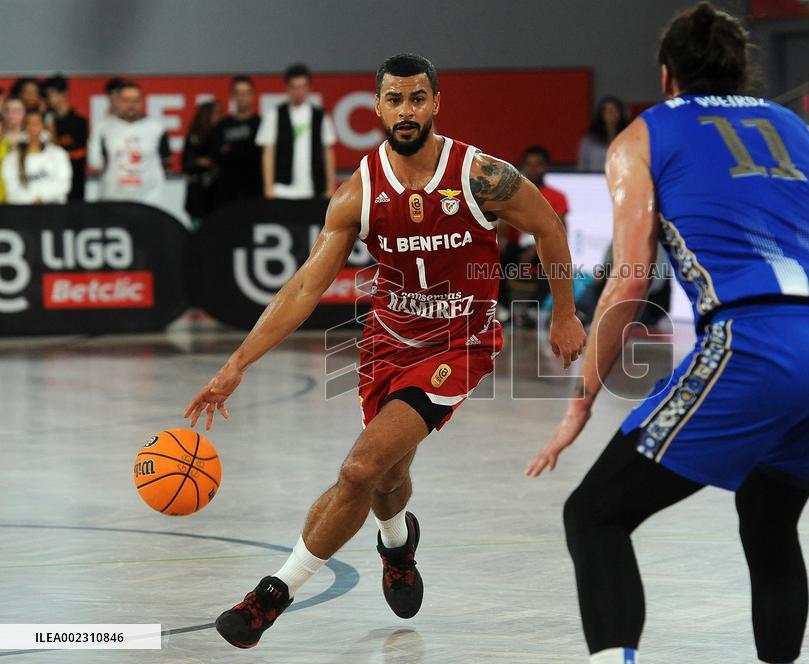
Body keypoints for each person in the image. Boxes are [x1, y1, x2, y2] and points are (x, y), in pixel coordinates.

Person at [526, 5, 809, 664]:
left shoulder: (640, 138)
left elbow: (630, 279)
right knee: (770, 520)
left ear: (667, 77)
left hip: (755, 345)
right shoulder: (797, 131)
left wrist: (581, 400)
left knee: (595, 515)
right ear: (740, 70)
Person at [184, 53, 586, 649]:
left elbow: (548, 224)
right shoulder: (357, 195)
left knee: (361, 467)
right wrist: (235, 364)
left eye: (417, 98)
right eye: (394, 100)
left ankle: (272, 595)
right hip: (387, 343)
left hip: (460, 344)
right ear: (376, 107)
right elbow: (303, 288)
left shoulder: (479, 175)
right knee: (390, 472)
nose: (406, 110)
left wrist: (567, 312)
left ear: (435, 104)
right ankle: (398, 544)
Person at [501, 145, 570, 324]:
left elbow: (560, 231)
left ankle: (533, 311)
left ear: (546, 167)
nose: (533, 168)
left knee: (554, 263)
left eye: (538, 164)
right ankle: (503, 308)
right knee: (490, 259)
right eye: (529, 164)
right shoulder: (510, 193)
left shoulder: (557, 196)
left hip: (542, 245)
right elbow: (502, 225)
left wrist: (533, 251)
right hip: (516, 247)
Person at [256, 63, 337, 199]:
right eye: (294, 87)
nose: (299, 92)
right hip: (282, 189)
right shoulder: (274, 115)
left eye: (302, 87)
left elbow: (328, 152)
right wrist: (268, 188)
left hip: (314, 189)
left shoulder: (320, 116)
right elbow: (268, 153)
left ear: (309, 88)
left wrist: (330, 187)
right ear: (287, 87)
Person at [89, 81, 171, 204]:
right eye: (126, 100)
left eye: (136, 100)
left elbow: (166, 161)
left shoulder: (157, 128)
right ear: (117, 101)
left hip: (149, 200)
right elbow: (95, 162)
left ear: (142, 102)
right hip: (112, 198)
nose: (131, 105)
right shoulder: (103, 127)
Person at [211, 76, 263, 207]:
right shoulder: (222, 125)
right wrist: (246, 148)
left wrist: (231, 149)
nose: (242, 97)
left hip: (254, 190)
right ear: (232, 96)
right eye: (239, 94)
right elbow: (216, 155)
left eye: (246, 93)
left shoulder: (261, 124)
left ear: (252, 95)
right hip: (227, 192)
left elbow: (259, 155)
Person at [2, 109, 72, 204]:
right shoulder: (11, 159)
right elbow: (12, 191)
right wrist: (32, 200)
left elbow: (64, 185)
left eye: (37, 122)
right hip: (22, 212)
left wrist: (41, 198)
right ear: (24, 128)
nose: (33, 127)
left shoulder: (58, 154)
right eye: (29, 123)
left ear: (44, 127)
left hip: (54, 210)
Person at [42, 75, 89, 201]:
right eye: (46, 95)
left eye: (52, 93)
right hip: (50, 185)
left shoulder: (79, 122)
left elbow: (79, 153)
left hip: (75, 185)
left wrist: (55, 143)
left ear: (64, 94)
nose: (49, 99)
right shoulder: (44, 122)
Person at [182, 100, 221, 220]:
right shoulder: (194, 137)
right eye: (216, 113)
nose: (219, 117)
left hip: (218, 195)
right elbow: (186, 163)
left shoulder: (222, 134)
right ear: (206, 115)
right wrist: (200, 162)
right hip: (198, 195)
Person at [577, 96, 628, 172]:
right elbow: (582, 164)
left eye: (614, 109)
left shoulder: (628, 137)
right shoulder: (590, 139)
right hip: (594, 180)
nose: (610, 113)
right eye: (607, 110)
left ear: (620, 113)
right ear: (601, 114)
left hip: (622, 181)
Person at [0, 97, 27, 204]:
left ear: (24, 113)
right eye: (7, 110)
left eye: (16, 111)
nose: (11, 115)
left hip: (24, 200)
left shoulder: (33, 140)